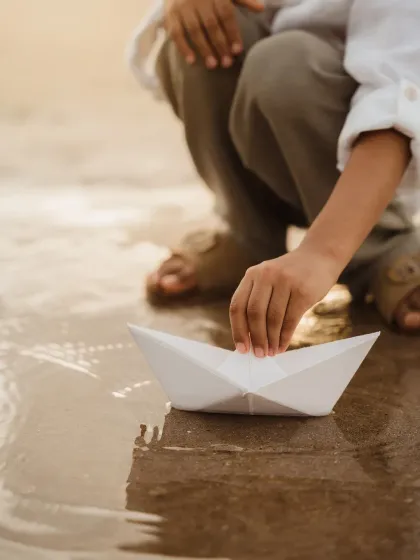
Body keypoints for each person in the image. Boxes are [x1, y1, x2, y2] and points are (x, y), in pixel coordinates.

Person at [127, 0, 420, 356]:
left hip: (366, 162)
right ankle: (247, 229)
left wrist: (323, 253)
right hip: (260, 128)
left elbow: (400, 95)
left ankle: (380, 245)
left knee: (285, 64)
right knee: (200, 26)